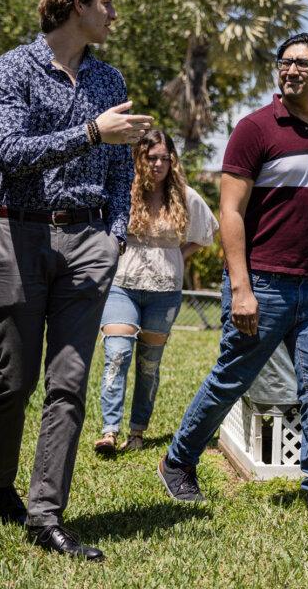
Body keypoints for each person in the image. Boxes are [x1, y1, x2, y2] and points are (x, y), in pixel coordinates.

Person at [157, 32, 308, 520]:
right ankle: (178, 462)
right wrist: (241, 288)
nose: (290, 69)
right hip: (264, 284)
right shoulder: (254, 129)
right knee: (230, 380)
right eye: (285, 61)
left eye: (303, 63)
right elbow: (230, 213)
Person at [0, 0, 153, 561]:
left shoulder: (110, 80)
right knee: (16, 380)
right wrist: (89, 133)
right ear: (75, 4)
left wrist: (114, 236)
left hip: (88, 244)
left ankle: (46, 513)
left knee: (70, 383)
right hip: (20, 236)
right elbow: (9, 153)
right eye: (105, 1)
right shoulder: (15, 69)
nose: (113, 11)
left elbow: (119, 169)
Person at [92, 130, 219, 456]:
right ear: (140, 159)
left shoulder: (184, 196)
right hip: (123, 285)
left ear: (172, 160)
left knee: (148, 366)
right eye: (152, 157)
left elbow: (208, 232)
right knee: (117, 353)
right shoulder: (124, 190)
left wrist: (177, 256)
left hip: (164, 292)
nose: (159, 163)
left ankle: (137, 431)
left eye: (164, 157)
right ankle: (109, 430)